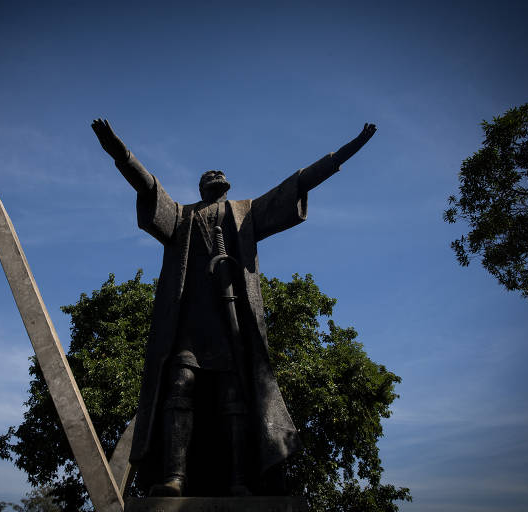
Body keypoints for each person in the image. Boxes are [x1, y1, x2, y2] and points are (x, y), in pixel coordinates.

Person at [92, 119, 377, 497]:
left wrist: (345, 151)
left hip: (232, 324)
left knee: (235, 396)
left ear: (227, 185)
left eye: (219, 173)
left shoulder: (246, 213)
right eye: (207, 174)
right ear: (200, 187)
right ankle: (175, 477)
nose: (214, 173)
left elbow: (298, 183)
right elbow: (148, 187)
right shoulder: (181, 217)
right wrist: (120, 152)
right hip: (189, 325)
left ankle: (240, 481)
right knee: (179, 387)